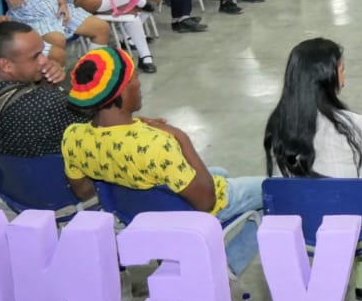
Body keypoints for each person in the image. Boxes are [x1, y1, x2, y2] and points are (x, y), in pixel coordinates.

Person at [62, 47, 265, 277]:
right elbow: (206, 202)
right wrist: (179, 136)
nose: (139, 84)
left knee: (222, 172)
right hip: (198, 207)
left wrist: (127, 137)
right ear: (120, 93)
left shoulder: (73, 136)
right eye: (134, 78)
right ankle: (228, 265)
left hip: (137, 210)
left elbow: (83, 190)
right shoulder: (157, 144)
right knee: (274, 189)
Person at [263, 37, 362, 301]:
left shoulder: (278, 124)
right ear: (327, 77)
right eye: (341, 68)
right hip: (353, 228)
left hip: (300, 225)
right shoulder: (351, 125)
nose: (344, 73)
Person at [0, 21, 83, 159]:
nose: (44, 60)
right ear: (6, 65)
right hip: (50, 175)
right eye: (36, 56)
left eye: (43, 52)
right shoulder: (47, 104)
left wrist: (44, 80)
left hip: (4, 176)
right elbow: (98, 125)